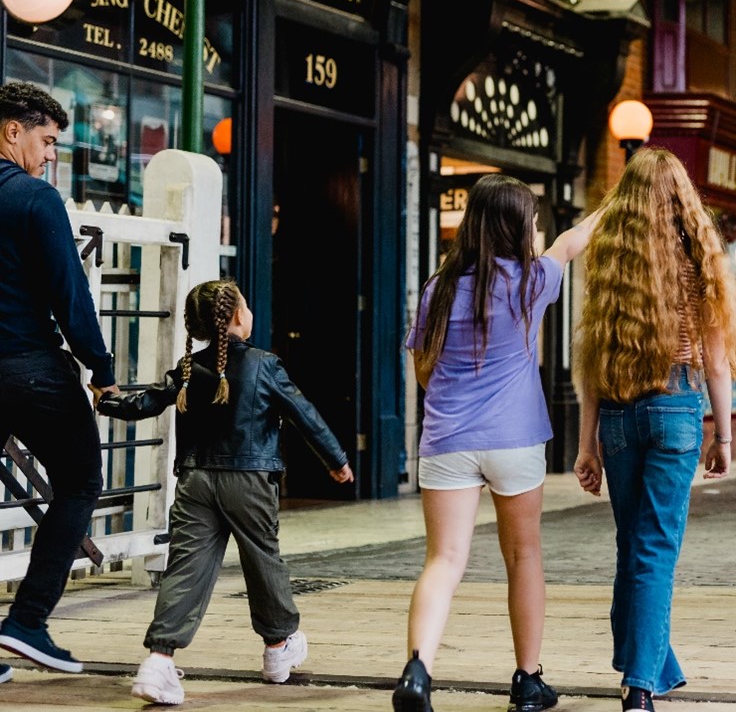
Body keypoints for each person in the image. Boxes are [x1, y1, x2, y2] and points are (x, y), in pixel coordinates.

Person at [393, 175, 599, 712]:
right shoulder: (533, 281)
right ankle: (528, 681)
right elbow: (573, 241)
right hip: (514, 441)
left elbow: (423, 370)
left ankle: (417, 670)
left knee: (444, 559)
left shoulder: (438, 287)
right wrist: (620, 202)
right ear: (515, 228)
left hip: (447, 440)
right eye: (532, 221)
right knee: (523, 554)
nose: (538, 229)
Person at [96, 278, 353, 704]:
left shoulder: (184, 369)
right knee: (262, 560)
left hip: (196, 481)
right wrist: (336, 459)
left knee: (185, 570)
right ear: (237, 316)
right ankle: (277, 649)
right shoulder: (263, 364)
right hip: (249, 481)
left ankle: (158, 661)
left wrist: (105, 400)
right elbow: (304, 414)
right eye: (246, 306)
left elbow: (144, 403)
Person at [572, 148, 736, 712]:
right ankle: (640, 686)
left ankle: (651, 665)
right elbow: (717, 364)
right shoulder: (698, 261)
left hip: (619, 413)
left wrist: (586, 443)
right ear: (682, 198)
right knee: (653, 550)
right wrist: (724, 436)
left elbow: (593, 361)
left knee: (633, 546)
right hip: (676, 408)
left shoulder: (611, 262)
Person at [0, 81, 118, 682]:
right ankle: (27, 621)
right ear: (11, 131)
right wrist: (102, 370)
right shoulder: (34, 199)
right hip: (29, 368)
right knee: (79, 482)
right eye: (46, 140)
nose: (50, 155)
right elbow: (70, 297)